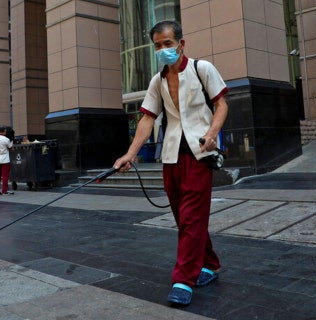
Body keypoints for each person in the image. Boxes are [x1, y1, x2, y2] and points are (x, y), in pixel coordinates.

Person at [113, 20, 229, 306]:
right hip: (171, 156)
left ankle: (183, 279)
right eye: (157, 45)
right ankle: (210, 263)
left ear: (181, 43)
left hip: (199, 154)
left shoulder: (202, 69)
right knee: (185, 219)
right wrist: (130, 154)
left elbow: (222, 104)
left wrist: (212, 134)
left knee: (191, 218)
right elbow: (148, 118)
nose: (163, 49)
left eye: (167, 43)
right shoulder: (158, 81)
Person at [0, 126, 14, 195]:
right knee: (5, 176)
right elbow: (10, 148)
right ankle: (4, 190)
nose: (6, 132)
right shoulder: (6, 139)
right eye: (5, 131)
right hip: (5, 160)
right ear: (4, 131)